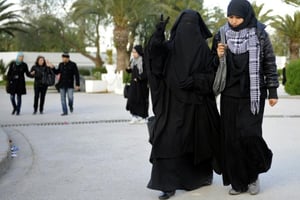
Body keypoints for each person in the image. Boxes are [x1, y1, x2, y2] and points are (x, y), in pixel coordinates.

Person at [145, 10, 221, 199]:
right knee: (167, 141)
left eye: (192, 26)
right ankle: (167, 185)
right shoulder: (168, 48)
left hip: (198, 108)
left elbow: (214, 78)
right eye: (185, 26)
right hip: (172, 107)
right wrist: (157, 36)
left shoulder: (205, 52)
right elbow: (155, 62)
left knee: (197, 142)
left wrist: (196, 80)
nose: (188, 31)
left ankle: (199, 178)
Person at [212, 0, 279, 195]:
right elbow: (211, 64)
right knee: (231, 139)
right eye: (230, 17)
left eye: (237, 17)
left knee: (250, 136)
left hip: (253, 94)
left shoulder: (259, 33)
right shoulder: (221, 34)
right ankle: (238, 182)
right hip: (230, 94)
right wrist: (217, 54)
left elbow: (269, 63)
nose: (233, 21)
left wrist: (273, 91)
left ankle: (253, 176)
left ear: (246, 16)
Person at [126, 45, 149, 124]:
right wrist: (128, 69)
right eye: (133, 52)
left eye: (135, 52)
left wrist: (139, 78)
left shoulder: (144, 61)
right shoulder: (133, 60)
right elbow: (131, 71)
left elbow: (147, 73)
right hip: (134, 85)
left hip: (142, 85)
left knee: (141, 100)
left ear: (139, 52)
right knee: (132, 99)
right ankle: (134, 116)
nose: (133, 54)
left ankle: (144, 117)